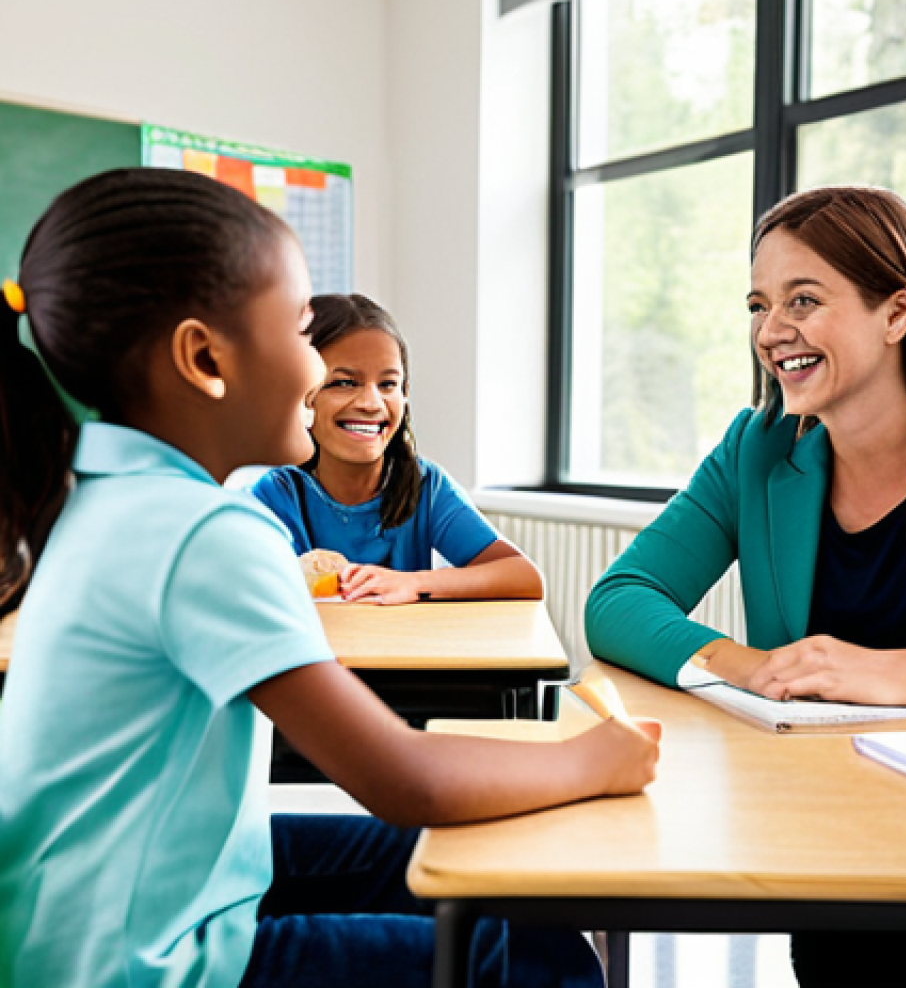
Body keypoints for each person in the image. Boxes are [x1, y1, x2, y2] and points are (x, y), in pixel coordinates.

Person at [0, 167, 660, 988]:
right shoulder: (203, 530)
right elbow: (401, 779)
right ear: (204, 357)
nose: (319, 374)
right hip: (133, 963)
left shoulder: (98, 495)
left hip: (89, 909)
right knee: (539, 956)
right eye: (301, 333)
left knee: (492, 875)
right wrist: (595, 760)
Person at [585, 185, 906, 987]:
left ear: (898, 313)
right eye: (759, 305)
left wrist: (897, 672)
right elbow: (618, 600)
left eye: (803, 301)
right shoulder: (756, 449)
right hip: (828, 846)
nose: (770, 330)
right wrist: (749, 666)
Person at [250, 293, 542, 605]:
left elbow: (525, 577)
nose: (371, 403)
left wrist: (414, 583)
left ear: (405, 394)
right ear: (302, 393)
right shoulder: (275, 494)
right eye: (345, 383)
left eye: (387, 384)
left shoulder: (425, 485)